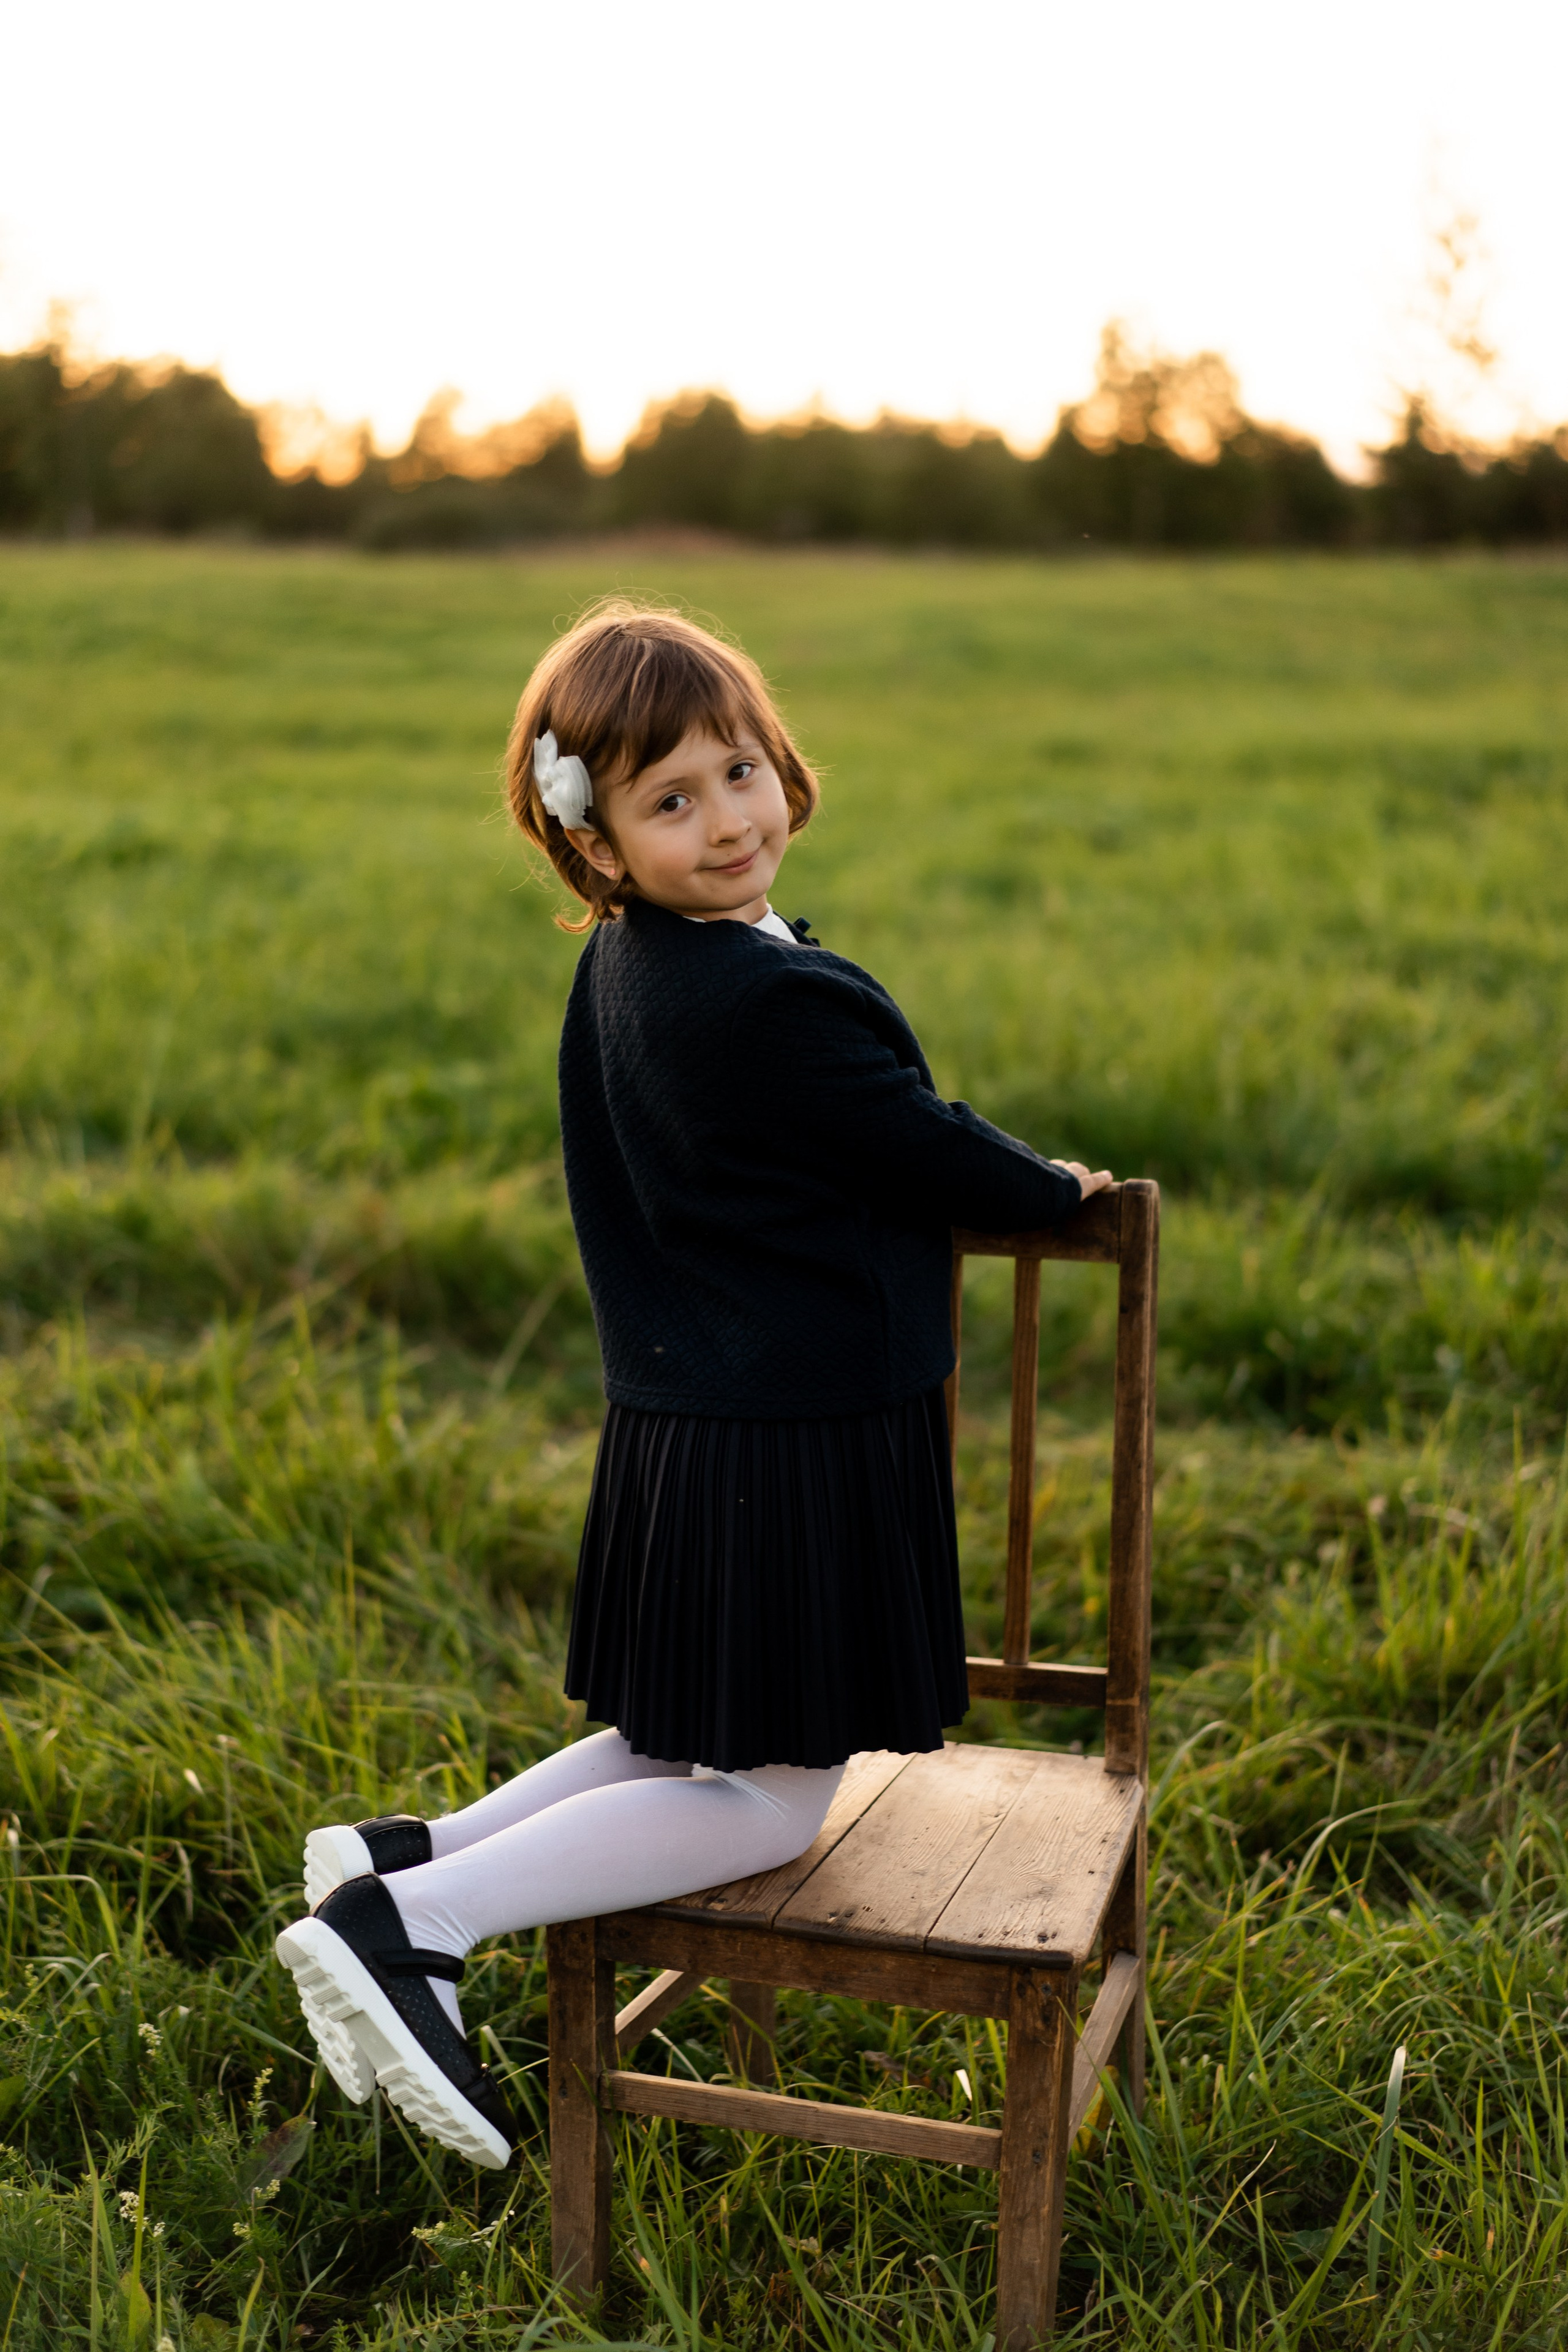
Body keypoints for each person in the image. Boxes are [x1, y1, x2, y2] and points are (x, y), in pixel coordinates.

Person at [274, 600, 1112, 2169]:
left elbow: (852, 1121)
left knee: (678, 1734)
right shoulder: (768, 999)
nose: (726, 820)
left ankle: (396, 1857)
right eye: (670, 801)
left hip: (684, 1425)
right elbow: (918, 1141)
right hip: (788, 1437)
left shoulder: (633, 971)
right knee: (778, 1797)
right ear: (598, 846)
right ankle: (417, 1921)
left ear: (781, 764)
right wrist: (1044, 1182)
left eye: (738, 774)